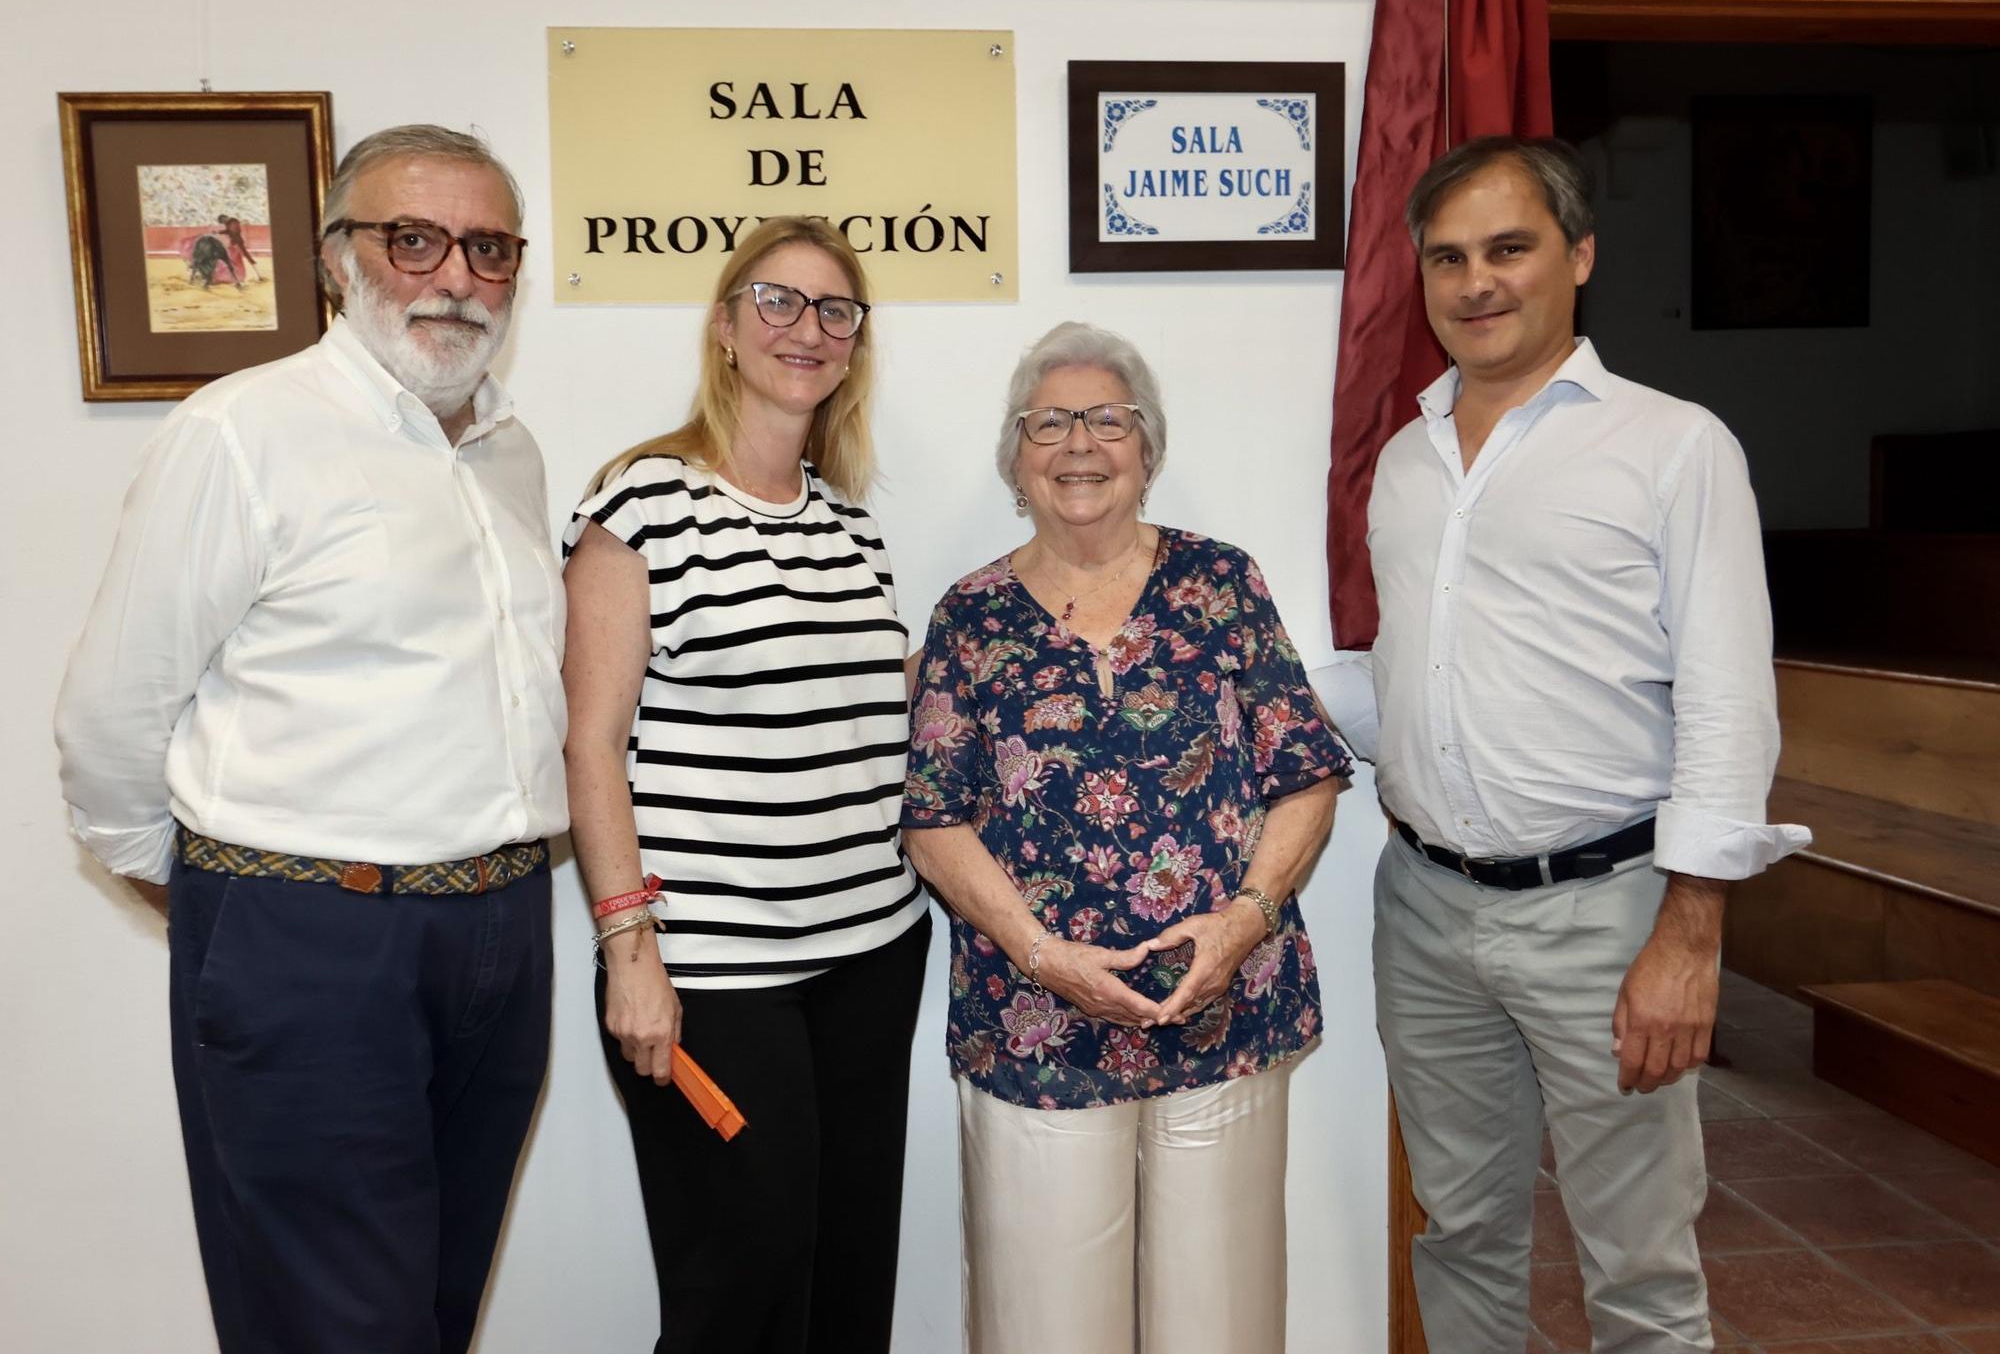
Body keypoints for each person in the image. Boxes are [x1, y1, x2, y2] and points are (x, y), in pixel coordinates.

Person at [54, 124, 561, 1354]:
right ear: (340, 260)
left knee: (433, 1309)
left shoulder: (509, 453)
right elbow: (112, 715)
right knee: (333, 1327)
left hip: (498, 925)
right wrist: (231, 903)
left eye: (487, 247)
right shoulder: (243, 433)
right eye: (413, 238)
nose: (453, 275)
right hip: (310, 935)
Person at [1345, 136, 1811, 1351]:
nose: (1474, 282)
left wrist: (1690, 933)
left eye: (1508, 248)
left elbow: (1725, 701)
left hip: (1607, 916)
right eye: (1446, 258)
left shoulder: (1672, 446)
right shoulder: (1404, 461)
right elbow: (1411, 680)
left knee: (1639, 1271)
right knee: (1459, 1234)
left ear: (1579, 256)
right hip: (1426, 912)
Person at [902, 322, 1351, 1354]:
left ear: (1147, 450)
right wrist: (1044, 955)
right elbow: (931, 820)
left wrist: (1242, 921)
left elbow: (1307, 771)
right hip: (1033, 1023)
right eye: (1048, 422)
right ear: (1014, 457)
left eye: (1108, 420)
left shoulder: (1221, 584)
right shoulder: (969, 616)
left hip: (1224, 1007)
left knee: (1221, 1323)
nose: (1079, 444)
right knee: (1041, 1325)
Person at [562, 215, 930, 1354]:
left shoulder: (849, 527)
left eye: (834, 310)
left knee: (847, 1276)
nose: (805, 329)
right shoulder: (641, 503)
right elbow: (589, 744)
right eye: (776, 300)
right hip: (712, 972)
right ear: (724, 327)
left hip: (871, 950)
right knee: (742, 1288)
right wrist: (631, 951)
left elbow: (872, 707)